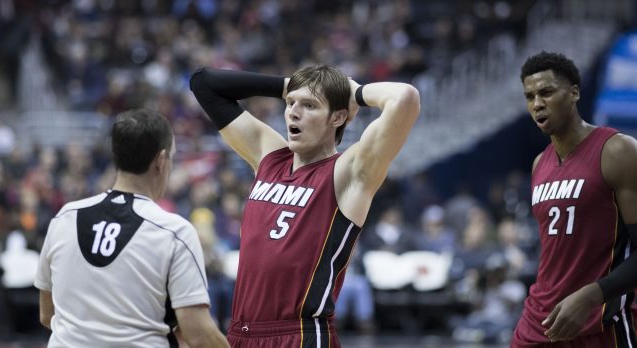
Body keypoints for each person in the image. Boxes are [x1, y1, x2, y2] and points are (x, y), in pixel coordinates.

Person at [190, 64, 420, 347]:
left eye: (309, 105)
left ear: (337, 117)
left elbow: (405, 98)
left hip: (300, 334)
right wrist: (294, 85)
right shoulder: (269, 156)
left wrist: (356, 93)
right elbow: (204, 83)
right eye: (290, 104)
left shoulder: (347, 172)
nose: (294, 112)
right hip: (242, 333)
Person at [34, 109, 230, 348]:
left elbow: (47, 314)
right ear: (161, 161)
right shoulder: (173, 231)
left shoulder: (65, 217)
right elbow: (198, 335)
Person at [511, 52, 637, 347]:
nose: (537, 103)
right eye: (529, 96)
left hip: (600, 323)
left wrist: (592, 294)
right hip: (538, 323)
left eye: (546, 92)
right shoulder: (538, 165)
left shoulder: (618, 151)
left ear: (574, 92)